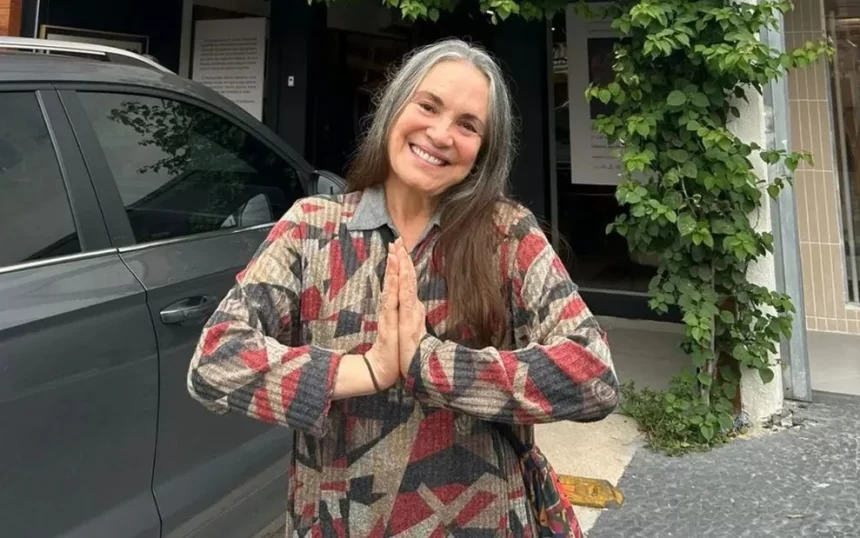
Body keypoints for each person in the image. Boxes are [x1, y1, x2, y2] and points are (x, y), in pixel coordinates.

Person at [187, 38, 619, 537]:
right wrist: (367, 369)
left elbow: (594, 376)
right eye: (428, 106)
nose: (440, 134)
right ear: (394, 107)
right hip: (338, 522)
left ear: (483, 151)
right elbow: (214, 363)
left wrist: (429, 365)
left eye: (467, 125)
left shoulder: (506, 234)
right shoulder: (311, 228)